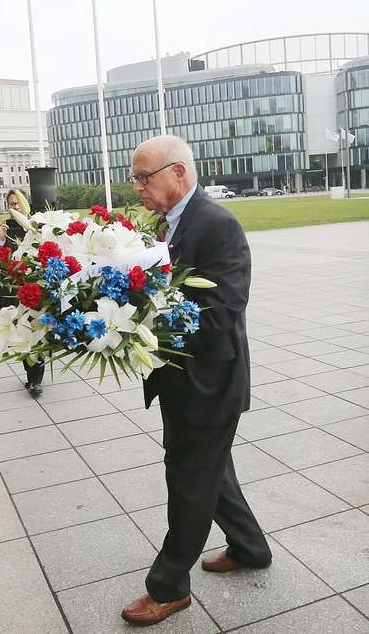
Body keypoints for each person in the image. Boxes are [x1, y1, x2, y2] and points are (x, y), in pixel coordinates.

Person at [121, 135, 271, 627]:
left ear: (179, 173)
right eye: (136, 178)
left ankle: (168, 587)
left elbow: (223, 310)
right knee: (209, 470)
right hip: (182, 379)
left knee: (189, 479)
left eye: (145, 177)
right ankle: (250, 548)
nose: (138, 186)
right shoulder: (168, 223)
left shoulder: (217, 224)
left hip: (210, 382)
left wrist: (145, 326)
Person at [0, 187, 45, 397]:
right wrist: (0, 240)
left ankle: (35, 379)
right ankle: (31, 374)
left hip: (34, 287)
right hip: (11, 288)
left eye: (19, 202)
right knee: (20, 332)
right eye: (12, 204)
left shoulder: (38, 225)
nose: (16, 207)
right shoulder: (1, 229)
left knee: (36, 329)